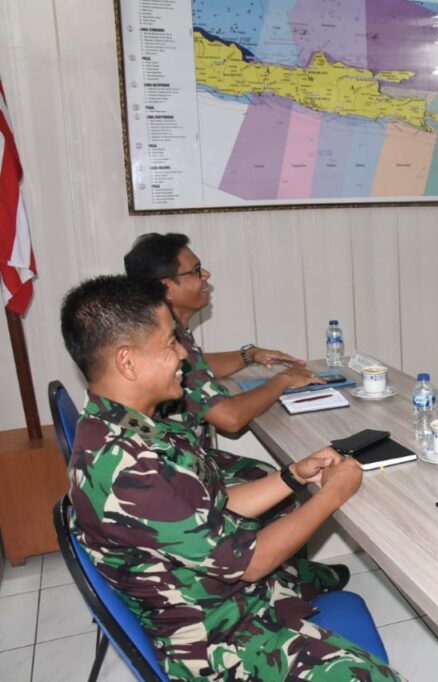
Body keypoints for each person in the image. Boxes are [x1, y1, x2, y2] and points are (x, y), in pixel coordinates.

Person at [60, 275, 403, 681]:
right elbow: (252, 564)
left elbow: (214, 501)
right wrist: (332, 495)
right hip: (218, 641)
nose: (183, 356)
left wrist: (293, 475)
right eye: (170, 343)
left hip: (223, 597)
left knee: (308, 573)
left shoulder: (128, 427)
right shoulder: (131, 467)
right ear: (127, 362)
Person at [124, 233, 324, 486]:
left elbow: (196, 366)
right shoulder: (168, 337)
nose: (206, 274)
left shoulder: (156, 330)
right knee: (275, 480)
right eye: (196, 271)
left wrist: (250, 354)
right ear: (167, 287)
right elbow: (230, 418)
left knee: (267, 472)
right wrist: (284, 379)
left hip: (175, 454)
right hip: (173, 469)